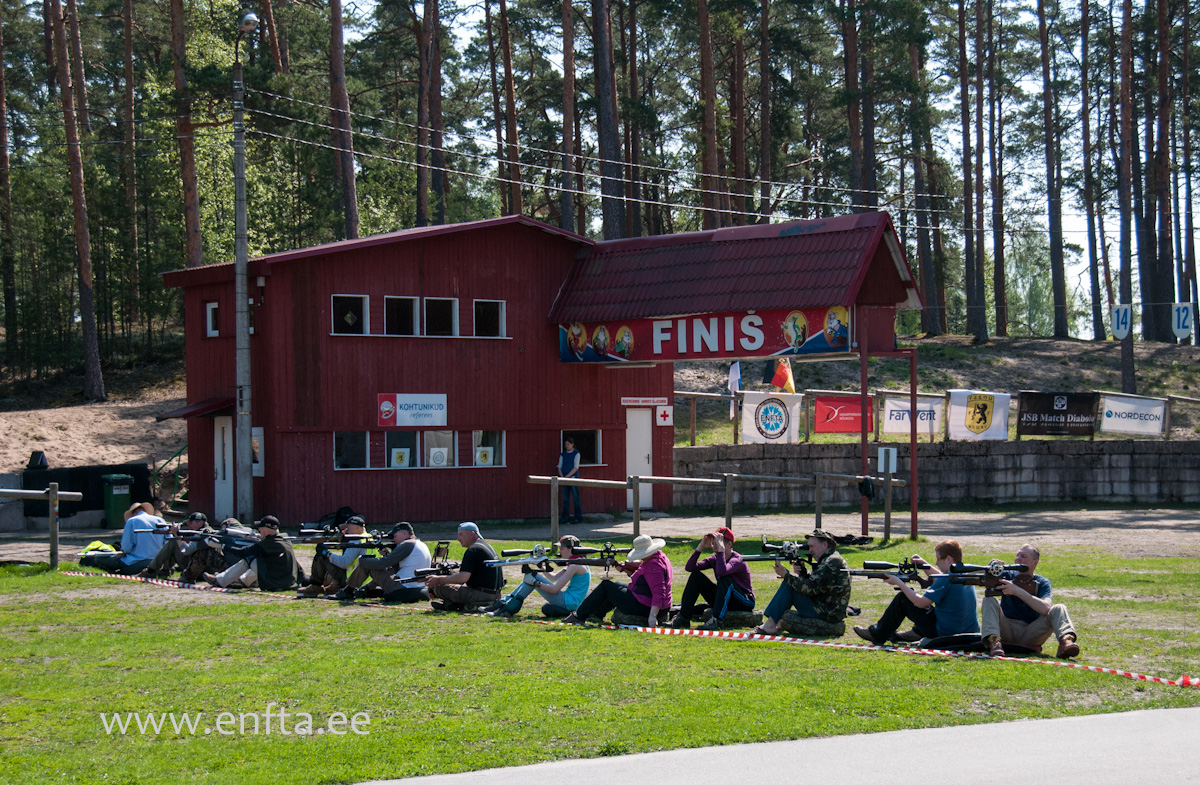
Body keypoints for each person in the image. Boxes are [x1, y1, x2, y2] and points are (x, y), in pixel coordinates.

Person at [853, 539, 979, 645]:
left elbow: (920, 603)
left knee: (903, 598)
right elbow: (939, 578)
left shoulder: (946, 579)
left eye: (939, 558)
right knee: (930, 608)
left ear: (949, 559)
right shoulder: (961, 575)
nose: (936, 562)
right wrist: (924, 564)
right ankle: (915, 633)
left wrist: (899, 583)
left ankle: (877, 634)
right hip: (966, 632)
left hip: (945, 634)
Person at [982, 544, 1080, 658]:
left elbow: (1045, 608)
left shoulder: (1042, 582)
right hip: (1006, 629)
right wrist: (989, 570)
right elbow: (978, 577)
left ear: (1035, 563)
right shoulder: (1007, 575)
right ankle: (994, 642)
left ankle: (1066, 642)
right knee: (989, 600)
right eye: (1017, 555)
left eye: (1023, 556)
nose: (1018, 559)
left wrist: (1017, 591)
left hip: (1031, 633)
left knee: (1059, 608)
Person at [751, 529, 851, 635]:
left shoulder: (830, 562)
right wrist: (803, 574)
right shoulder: (832, 559)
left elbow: (810, 589)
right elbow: (819, 586)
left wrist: (785, 575)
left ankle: (770, 626)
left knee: (789, 585)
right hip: (827, 609)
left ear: (825, 545)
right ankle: (772, 623)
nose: (810, 550)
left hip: (827, 612)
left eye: (812, 546)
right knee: (791, 583)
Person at [563, 534, 672, 627]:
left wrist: (652, 616)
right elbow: (645, 579)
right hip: (650, 603)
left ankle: (579, 616)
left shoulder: (653, 566)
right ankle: (596, 615)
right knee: (617, 586)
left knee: (606, 586)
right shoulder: (660, 557)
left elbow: (658, 592)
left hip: (647, 607)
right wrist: (625, 569)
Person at [483, 535, 592, 619]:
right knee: (532, 577)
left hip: (568, 603)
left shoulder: (575, 566)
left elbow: (554, 590)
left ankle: (506, 608)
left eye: (562, 549)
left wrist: (535, 583)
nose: (560, 552)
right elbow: (553, 578)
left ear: (571, 549)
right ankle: (504, 604)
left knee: (532, 579)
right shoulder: (577, 562)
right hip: (569, 601)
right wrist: (541, 567)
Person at [673, 527, 754, 631]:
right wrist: (700, 547)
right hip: (726, 597)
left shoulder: (738, 560)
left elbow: (722, 571)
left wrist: (720, 551)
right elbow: (689, 568)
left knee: (724, 579)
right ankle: (683, 618)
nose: (715, 544)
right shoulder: (716, 558)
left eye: (719, 542)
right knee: (696, 576)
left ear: (729, 544)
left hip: (744, 601)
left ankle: (717, 621)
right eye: (714, 541)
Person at [336, 522, 431, 603]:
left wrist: (362, 560)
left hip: (403, 586)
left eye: (394, 535)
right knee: (377, 567)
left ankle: (347, 591)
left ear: (404, 533)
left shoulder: (407, 544)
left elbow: (383, 563)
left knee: (368, 563)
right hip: (414, 586)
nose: (393, 539)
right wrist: (387, 555)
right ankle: (364, 590)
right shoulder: (419, 544)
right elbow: (396, 567)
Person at [203, 515, 301, 591]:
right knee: (259, 558)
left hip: (277, 583)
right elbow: (297, 564)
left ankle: (220, 581)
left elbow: (241, 553)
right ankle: (243, 581)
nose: (259, 529)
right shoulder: (284, 538)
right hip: (290, 582)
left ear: (268, 529)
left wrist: (222, 546)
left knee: (249, 558)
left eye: (261, 527)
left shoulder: (268, 543)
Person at [426, 522, 504, 611]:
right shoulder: (486, 546)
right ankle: (452, 604)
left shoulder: (472, 550)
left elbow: (463, 578)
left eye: (461, 535)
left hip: (482, 595)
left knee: (439, 587)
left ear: (471, 534)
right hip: (497, 594)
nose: (458, 539)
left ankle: (464, 604)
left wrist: (439, 579)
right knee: (451, 578)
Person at [80, 502, 167, 575]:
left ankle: (114, 572)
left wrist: (124, 552)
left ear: (133, 513)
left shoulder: (132, 521)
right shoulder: (160, 520)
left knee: (99, 558)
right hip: (156, 560)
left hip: (136, 560)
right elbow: (167, 542)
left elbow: (126, 546)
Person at [299, 515, 378, 596]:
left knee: (321, 557)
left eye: (348, 527)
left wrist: (326, 553)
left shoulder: (356, 541)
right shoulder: (369, 538)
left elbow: (344, 563)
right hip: (367, 581)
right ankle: (334, 586)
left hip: (352, 581)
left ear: (357, 528)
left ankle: (315, 587)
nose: (346, 530)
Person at [138, 512, 218, 580]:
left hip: (198, 571)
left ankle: (151, 570)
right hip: (205, 570)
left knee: (173, 542)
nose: (189, 525)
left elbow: (187, 551)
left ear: (200, 523)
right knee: (175, 543)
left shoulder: (201, 533)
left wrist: (177, 536)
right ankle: (164, 570)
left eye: (191, 523)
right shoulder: (207, 530)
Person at [557, 437, 582, 524]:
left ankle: (577, 517)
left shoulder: (576, 453)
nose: (566, 446)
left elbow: (576, 467)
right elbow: (559, 466)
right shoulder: (563, 454)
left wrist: (567, 476)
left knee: (575, 498)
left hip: (573, 478)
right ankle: (565, 517)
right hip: (564, 478)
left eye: (568, 444)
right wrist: (562, 477)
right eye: (565, 444)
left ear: (572, 444)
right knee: (565, 499)